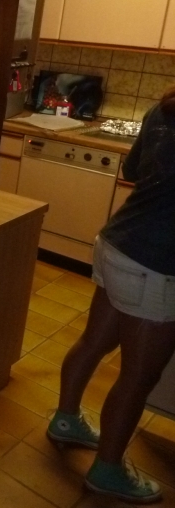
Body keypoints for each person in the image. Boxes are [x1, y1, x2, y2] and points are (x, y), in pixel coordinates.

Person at [49, 86, 175, 504]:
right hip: (154, 264)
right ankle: (107, 470)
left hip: (116, 243)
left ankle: (66, 419)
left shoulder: (164, 107)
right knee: (138, 377)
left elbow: (134, 169)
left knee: (94, 341)